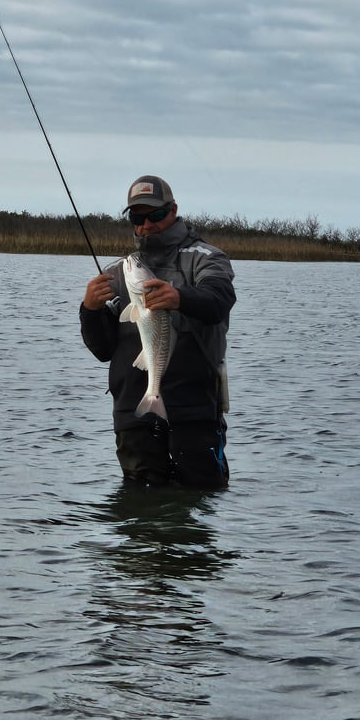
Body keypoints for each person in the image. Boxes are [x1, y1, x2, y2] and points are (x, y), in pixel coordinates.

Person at [80, 175, 235, 489]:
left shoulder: (206, 258)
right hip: (133, 417)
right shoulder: (117, 272)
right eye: (138, 217)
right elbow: (102, 349)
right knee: (139, 517)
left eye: (156, 215)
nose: (147, 224)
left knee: (200, 506)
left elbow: (220, 299)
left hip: (194, 414)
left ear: (173, 210)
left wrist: (181, 298)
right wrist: (90, 309)